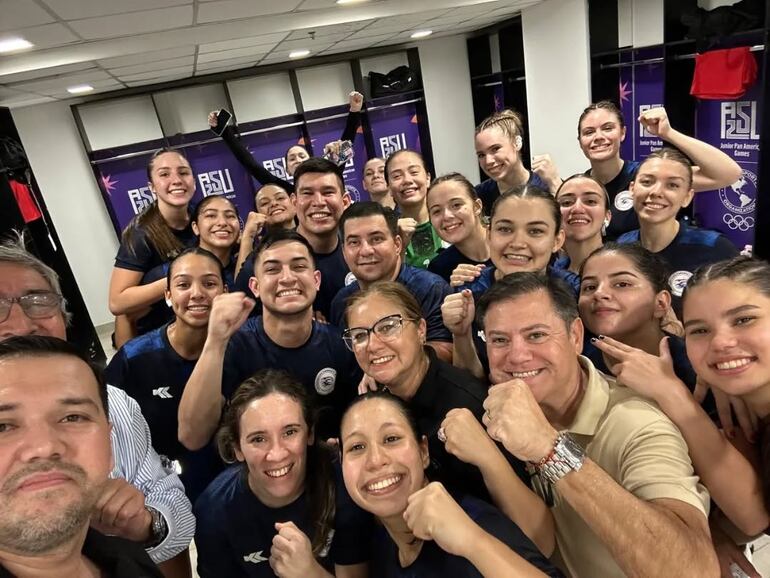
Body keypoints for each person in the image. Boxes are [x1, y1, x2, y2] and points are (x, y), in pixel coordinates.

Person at [476, 272, 717, 578]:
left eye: (536, 335)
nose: (517, 355)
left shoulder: (637, 421)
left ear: (575, 336)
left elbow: (692, 572)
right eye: (499, 340)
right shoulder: (491, 410)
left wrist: (550, 450)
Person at [0, 235, 195, 576]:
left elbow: (170, 504)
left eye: (37, 300)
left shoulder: (113, 402)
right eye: (3, 425)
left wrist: (149, 524)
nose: (20, 324)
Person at [585, 256, 769, 575]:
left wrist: (676, 393)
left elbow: (751, 518)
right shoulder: (579, 367)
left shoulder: (695, 376)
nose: (722, 342)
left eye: (743, 320)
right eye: (700, 330)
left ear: (661, 303)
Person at [339, 389, 563, 578]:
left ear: (423, 451)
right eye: (357, 447)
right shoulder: (381, 543)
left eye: (391, 439)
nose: (376, 460)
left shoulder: (476, 522)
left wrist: (473, 542)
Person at [342, 281, 529, 504]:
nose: (372, 345)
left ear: (421, 330)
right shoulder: (374, 399)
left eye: (388, 327)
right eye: (360, 336)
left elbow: (513, 508)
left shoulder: (471, 405)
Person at [178, 230, 361, 452]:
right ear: (255, 286)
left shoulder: (340, 345)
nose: (287, 278)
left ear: (316, 280)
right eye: (273, 269)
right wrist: (215, 341)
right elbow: (191, 436)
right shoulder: (232, 344)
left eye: (299, 267)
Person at [0, 335, 163, 577]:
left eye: (73, 417)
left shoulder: (130, 559)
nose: (44, 447)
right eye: (2, 426)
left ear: (108, 443)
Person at [194, 369, 371, 578]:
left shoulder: (345, 485)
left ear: (310, 433)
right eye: (258, 439)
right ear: (237, 449)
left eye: (290, 432)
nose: (276, 454)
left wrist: (310, 574)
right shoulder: (213, 511)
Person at [105, 248, 227, 502]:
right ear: (168, 296)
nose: (197, 294)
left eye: (209, 283)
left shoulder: (239, 347)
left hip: (227, 482)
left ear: (224, 291)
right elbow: (106, 421)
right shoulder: (136, 357)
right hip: (163, 489)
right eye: (184, 284)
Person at [441, 184, 571, 378]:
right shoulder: (468, 292)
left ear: (557, 240)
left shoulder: (574, 291)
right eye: (505, 229)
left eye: (535, 231)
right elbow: (469, 383)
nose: (518, 243)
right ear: (489, 234)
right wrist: (461, 334)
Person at [577, 101, 741, 240]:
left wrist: (668, 134)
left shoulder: (647, 177)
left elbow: (728, 174)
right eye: (589, 132)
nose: (598, 136)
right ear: (580, 141)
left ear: (623, 133)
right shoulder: (578, 188)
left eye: (607, 128)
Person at [616, 147, 738, 314]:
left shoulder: (715, 249)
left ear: (687, 197)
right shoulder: (622, 248)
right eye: (647, 182)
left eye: (672, 185)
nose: (656, 192)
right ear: (631, 189)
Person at [330, 202, 452, 361]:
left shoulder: (430, 288)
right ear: (344, 252)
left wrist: (383, 362)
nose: (366, 250)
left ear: (397, 244)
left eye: (376, 239)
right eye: (354, 242)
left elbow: (447, 351)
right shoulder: (341, 301)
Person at [578, 243, 701, 393]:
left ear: (661, 303)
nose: (599, 293)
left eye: (622, 284)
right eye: (589, 287)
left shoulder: (699, 368)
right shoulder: (576, 367)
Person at [109, 149, 198, 346]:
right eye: (165, 174)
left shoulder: (201, 216)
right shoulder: (141, 234)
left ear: (194, 180)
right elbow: (117, 302)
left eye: (183, 172)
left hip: (191, 322)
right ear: (152, 187)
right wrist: (179, 279)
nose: (176, 180)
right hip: (151, 334)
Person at [208, 91, 364, 192]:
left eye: (302, 156)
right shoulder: (285, 192)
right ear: (287, 170)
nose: (297, 160)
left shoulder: (328, 176)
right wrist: (225, 132)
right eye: (292, 158)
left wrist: (355, 111)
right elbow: (252, 166)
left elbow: (344, 148)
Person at [474, 109, 561, 216]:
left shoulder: (546, 185)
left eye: (495, 149)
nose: (488, 161)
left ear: (517, 143)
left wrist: (555, 184)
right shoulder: (480, 195)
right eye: (481, 155)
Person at [385, 149, 445, 269]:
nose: (407, 180)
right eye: (397, 176)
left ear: (428, 179)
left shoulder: (450, 221)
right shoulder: (387, 234)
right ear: (389, 188)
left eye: (414, 172)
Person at [426, 173, 491, 283]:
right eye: (437, 211)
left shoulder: (509, 243)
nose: (447, 216)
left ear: (477, 207)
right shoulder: (438, 269)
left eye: (456, 205)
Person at [554, 174, 610, 275]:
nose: (577, 209)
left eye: (590, 201)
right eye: (567, 203)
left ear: (607, 216)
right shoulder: (549, 275)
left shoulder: (627, 266)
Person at [190, 195, 240, 289]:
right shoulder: (174, 269)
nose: (222, 222)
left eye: (230, 216)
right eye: (211, 216)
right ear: (195, 227)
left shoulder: (251, 268)